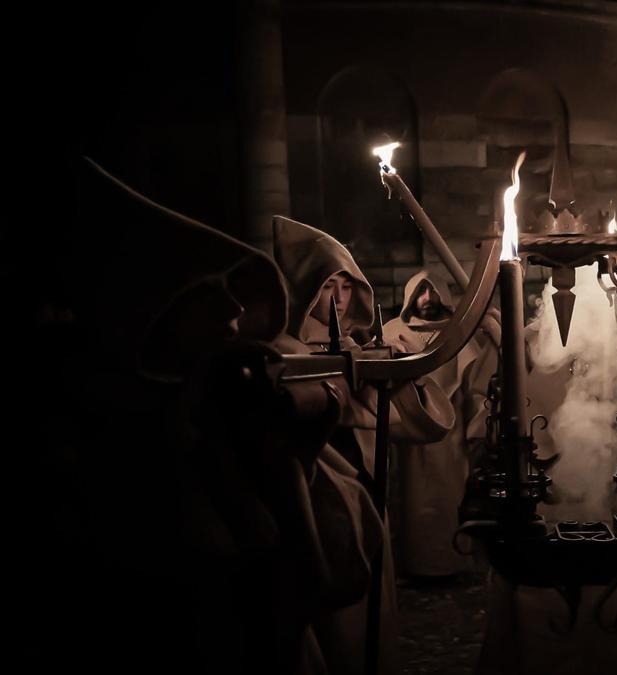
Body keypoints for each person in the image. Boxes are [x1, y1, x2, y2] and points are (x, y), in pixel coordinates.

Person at [42, 158, 380, 674]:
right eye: (206, 291)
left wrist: (301, 455)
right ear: (156, 309)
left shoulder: (218, 408)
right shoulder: (142, 440)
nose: (233, 310)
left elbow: (319, 572)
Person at [271, 215, 456, 674]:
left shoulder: (362, 347)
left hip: (364, 490)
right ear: (304, 287)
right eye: (327, 284)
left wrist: (393, 374)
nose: (337, 297)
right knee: (332, 628)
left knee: (369, 618)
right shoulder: (279, 351)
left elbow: (422, 423)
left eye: (347, 286)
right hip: (314, 493)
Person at [386, 271, 499, 578]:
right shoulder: (394, 331)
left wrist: (478, 431)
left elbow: (475, 381)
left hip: (450, 439)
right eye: (420, 292)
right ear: (410, 296)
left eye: (432, 291)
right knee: (408, 503)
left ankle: (450, 564)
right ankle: (415, 565)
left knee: (450, 501)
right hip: (407, 435)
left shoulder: (457, 333)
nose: (427, 299)